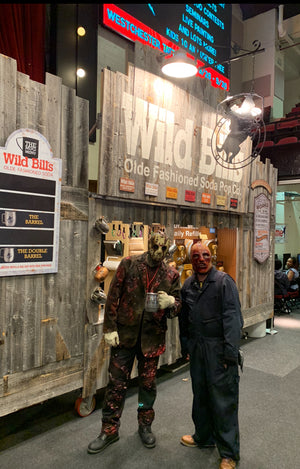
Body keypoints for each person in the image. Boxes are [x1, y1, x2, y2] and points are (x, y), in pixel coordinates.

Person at [88, 231, 181, 454]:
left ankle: (145, 424)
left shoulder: (171, 275)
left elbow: (178, 305)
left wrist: (170, 303)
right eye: (154, 247)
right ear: (149, 245)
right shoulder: (128, 264)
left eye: (162, 248)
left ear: (166, 248)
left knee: (147, 387)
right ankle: (109, 429)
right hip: (125, 336)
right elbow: (112, 296)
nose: (158, 252)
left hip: (152, 339)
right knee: (116, 385)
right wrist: (109, 328)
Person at [179, 242, 243, 469]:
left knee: (223, 400)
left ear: (212, 257)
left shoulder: (224, 283)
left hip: (219, 350)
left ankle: (228, 453)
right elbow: (184, 319)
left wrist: (230, 355)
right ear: (191, 259)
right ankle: (203, 437)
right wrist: (185, 347)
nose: (201, 259)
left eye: (205, 255)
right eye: (196, 256)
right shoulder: (188, 285)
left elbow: (233, 320)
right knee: (201, 395)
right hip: (197, 350)